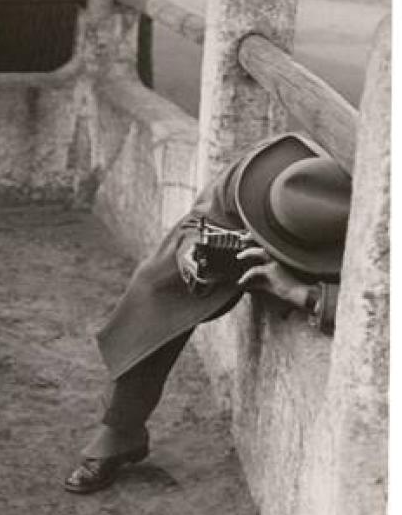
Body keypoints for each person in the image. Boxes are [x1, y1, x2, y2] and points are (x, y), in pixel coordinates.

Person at [64, 132, 351, 494]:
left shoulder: (382, 231)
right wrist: (191, 251)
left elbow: (381, 317)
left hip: (328, 268)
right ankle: (122, 429)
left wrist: (300, 291)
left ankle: (299, 272)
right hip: (271, 235)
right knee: (156, 281)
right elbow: (198, 217)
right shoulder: (266, 176)